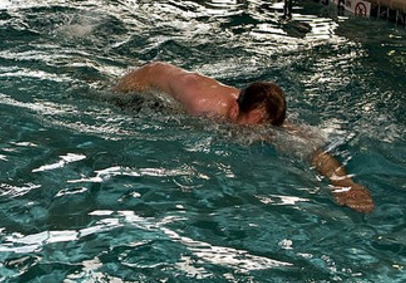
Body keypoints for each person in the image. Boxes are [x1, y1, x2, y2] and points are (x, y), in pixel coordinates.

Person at [116, 62, 374, 213]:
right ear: (235, 109)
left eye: (263, 129)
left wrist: (344, 183)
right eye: (250, 128)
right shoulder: (201, 103)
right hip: (141, 83)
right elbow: (153, 72)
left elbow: (313, 152)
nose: (255, 135)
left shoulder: (260, 119)